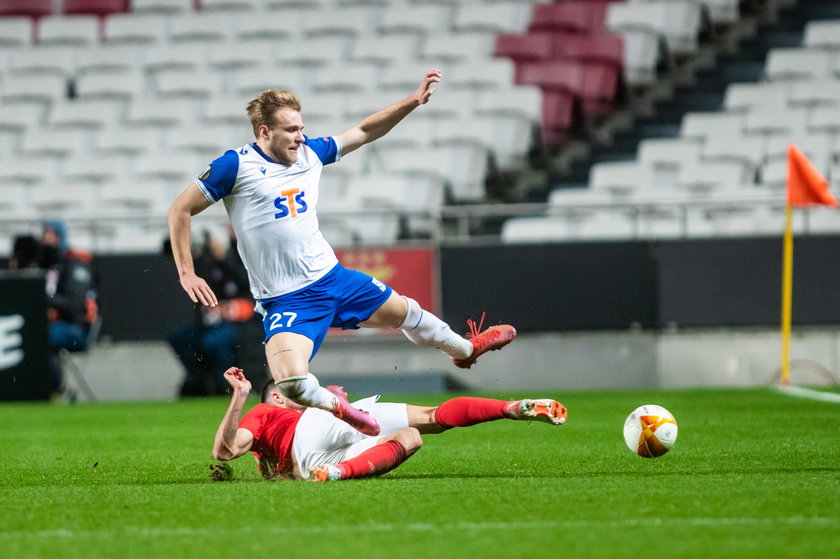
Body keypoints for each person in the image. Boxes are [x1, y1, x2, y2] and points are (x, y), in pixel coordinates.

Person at [168, 68, 516, 437]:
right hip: (287, 300)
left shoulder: (309, 154)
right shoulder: (234, 166)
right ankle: (340, 407)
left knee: (407, 312)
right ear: (264, 132)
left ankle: (465, 350)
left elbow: (364, 131)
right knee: (290, 384)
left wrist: (411, 103)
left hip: (334, 279)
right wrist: (187, 272)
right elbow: (180, 210)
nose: (300, 137)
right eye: (290, 130)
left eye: (301, 128)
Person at [213, 367, 567, 482]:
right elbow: (224, 451)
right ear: (276, 397)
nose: (301, 392)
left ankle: (338, 473)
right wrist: (242, 395)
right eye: (294, 390)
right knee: (431, 417)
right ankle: (508, 407)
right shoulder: (265, 412)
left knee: (412, 437)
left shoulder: (264, 449)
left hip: (313, 456)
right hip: (316, 426)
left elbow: (227, 454)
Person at [165, 227, 254, 396]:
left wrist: (222, 258)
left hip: (238, 323)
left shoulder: (236, 260)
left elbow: (244, 284)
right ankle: (200, 378)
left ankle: (226, 385)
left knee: (212, 342)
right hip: (212, 321)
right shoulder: (208, 264)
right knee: (180, 340)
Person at [39, 220, 98, 396]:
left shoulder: (75, 265)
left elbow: (74, 304)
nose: (48, 239)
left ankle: (55, 390)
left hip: (75, 327)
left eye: (53, 235)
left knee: (42, 338)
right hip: (49, 326)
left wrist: (42, 298)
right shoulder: (43, 266)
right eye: (45, 234)